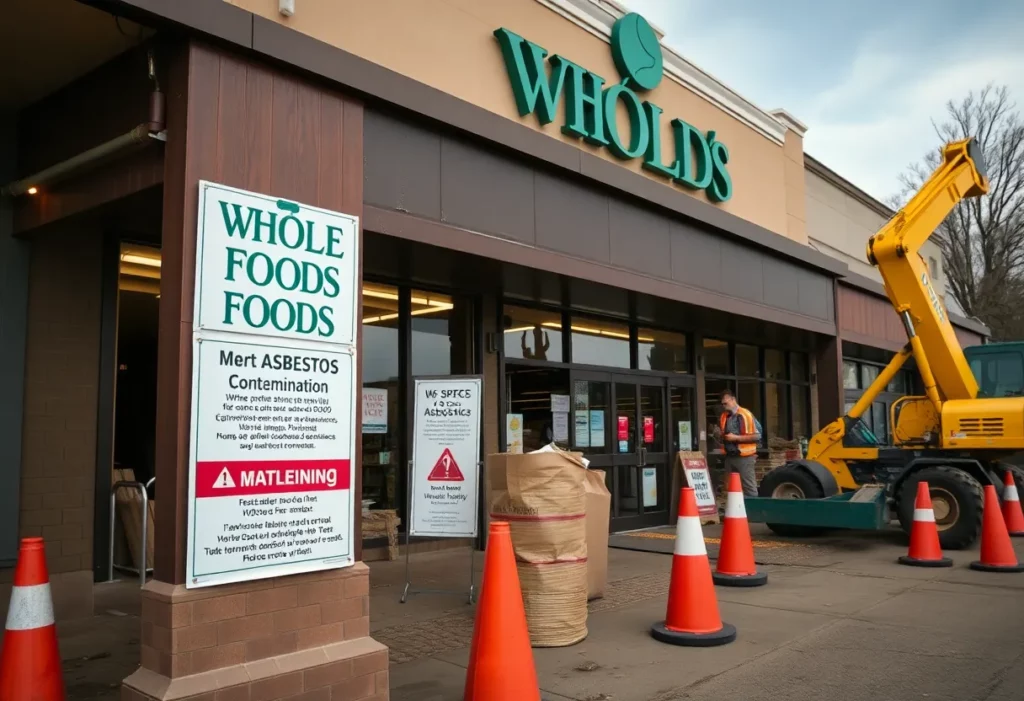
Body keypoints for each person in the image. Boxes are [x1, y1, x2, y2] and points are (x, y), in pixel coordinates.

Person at [718, 389, 761, 497]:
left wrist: (735, 438)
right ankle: (736, 511)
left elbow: (757, 436)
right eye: (722, 404)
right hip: (730, 456)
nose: (724, 406)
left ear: (733, 400)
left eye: (726, 403)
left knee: (749, 487)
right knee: (730, 487)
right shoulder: (724, 416)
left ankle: (752, 511)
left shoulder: (745, 414)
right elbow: (724, 434)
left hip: (744, 457)